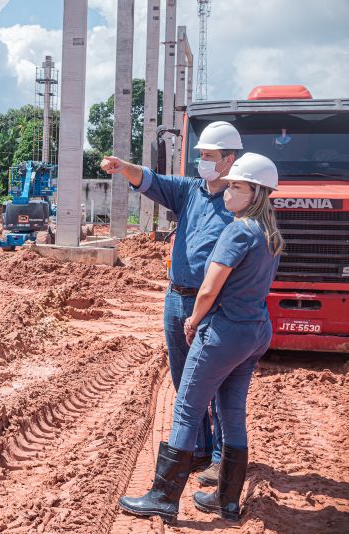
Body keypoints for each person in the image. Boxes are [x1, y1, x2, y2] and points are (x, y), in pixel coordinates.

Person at [117, 153, 284, 523]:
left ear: (255, 192)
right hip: (255, 331)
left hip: (223, 332)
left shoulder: (238, 230)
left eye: (236, 186)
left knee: (188, 407)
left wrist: (193, 320)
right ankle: (226, 500)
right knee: (232, 408)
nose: (228, 191)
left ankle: (163, 495)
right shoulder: (269, 233)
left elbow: (209, 289)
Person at [101, 121, 244, 480]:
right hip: (176, 298)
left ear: (228, 160)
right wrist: (123, 167)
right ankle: (195, 449)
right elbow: (151, 180)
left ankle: (219, 457)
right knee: (184, 380)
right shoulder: (190, 191)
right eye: (201, 156)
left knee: (211, 382)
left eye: (209, 157)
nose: (203, 162)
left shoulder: (238, 201)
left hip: (212, 303)